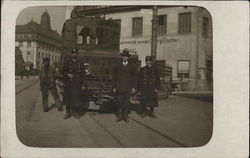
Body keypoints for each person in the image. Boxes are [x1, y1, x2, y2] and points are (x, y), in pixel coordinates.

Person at [112, 50, 137, 122]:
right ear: (122, 57)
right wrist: (114, 86)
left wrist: (133, 87)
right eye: (123, 56)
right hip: (119, 87)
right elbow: (114, 77)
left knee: (126, 103)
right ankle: (119, 116)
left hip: (128, 87)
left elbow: (134, 77)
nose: (124, 58)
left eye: (126, 56)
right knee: (119, 102)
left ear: (128, 57)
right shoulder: (117, 65)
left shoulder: (132, 66)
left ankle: (125, 116)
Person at [61, 48, 86, 119]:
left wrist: (83, 84)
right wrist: (67, 74)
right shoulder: (67, 62)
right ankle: (68, 113)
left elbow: (83, 74)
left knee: (75, 99)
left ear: (78, 54)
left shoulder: (80, 63)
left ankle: (75, 112)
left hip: (77, 83)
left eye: (76, 53)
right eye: (73, 53)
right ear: (71, 54)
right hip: (69, 83)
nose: (74, 54)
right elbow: (63, 71)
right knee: (68, 98)